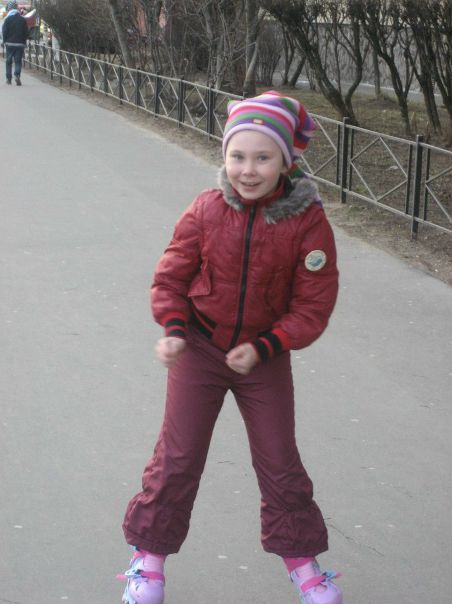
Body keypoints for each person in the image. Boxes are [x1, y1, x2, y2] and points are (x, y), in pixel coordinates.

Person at [118, 91, 343, 604]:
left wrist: (266, 346)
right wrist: (175, 328)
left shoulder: (308, 222)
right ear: (224, 156)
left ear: (286, 160)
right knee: (178, 457)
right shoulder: (207, 208)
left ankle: (304, 565)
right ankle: (147, 561)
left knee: (279, 461)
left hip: (264, 357)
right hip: (199, 348)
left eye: (263, 157)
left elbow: (313, 304)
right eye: (237, 156)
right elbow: (171, 276)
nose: (248, 169)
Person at [2, 0, 28, 86]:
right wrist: (24, 42)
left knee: (8, 61)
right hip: (20, 44)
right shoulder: (22, 20)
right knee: (18, 61)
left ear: (9, 9)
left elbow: (4, 31)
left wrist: (4, 41)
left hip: (9, 43)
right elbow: (26, 32)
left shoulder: (7, 19)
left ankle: (9, 79)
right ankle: (17, 75)